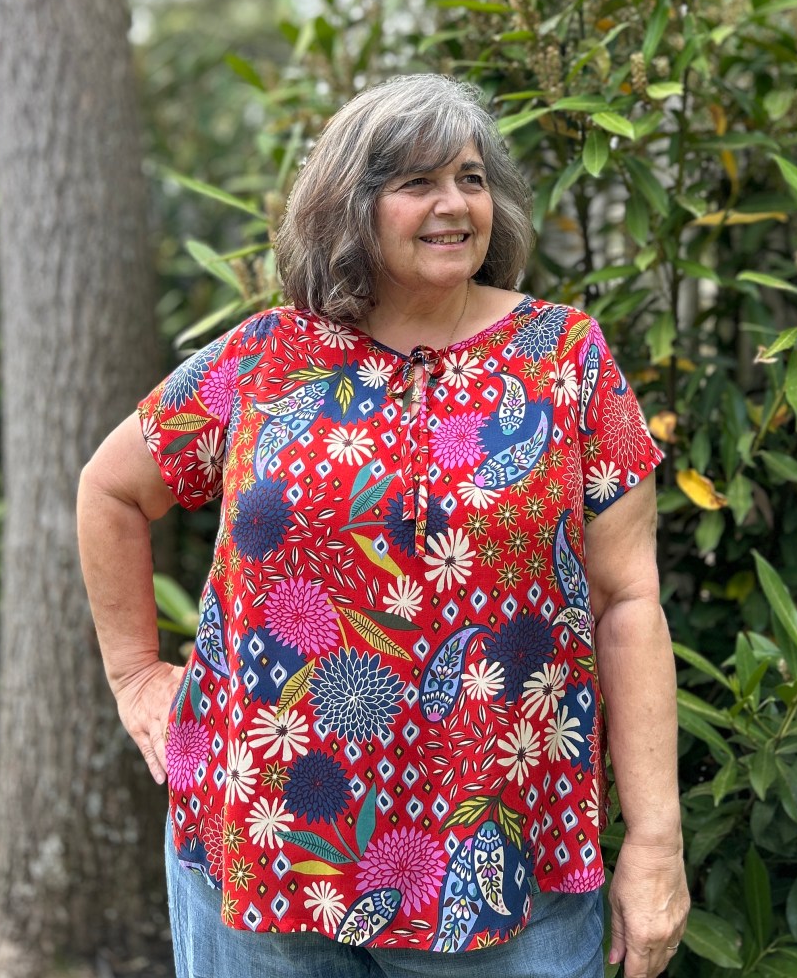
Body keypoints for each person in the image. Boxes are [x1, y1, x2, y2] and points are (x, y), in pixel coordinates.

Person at [77, 73, 689, 978]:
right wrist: (134, 675)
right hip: (261, 849)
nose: (455, 204)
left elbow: (628, 601)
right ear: (350, 208)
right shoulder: (266, 358)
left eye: (472, 179)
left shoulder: (566, 358)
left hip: (498, 864)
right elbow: (110, 490)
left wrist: (656, 841)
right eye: (418, 182)